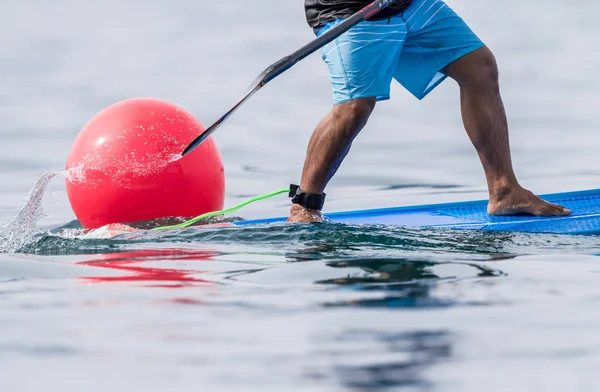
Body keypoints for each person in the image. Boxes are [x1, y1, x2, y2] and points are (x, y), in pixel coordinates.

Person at [287, 0, 571, 222]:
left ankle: (504, 191)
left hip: (410, 5)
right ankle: (304, 205)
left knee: (479, 67)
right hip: (349, 10)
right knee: (355, 106)